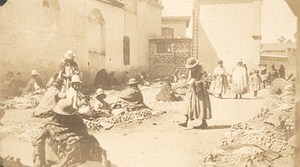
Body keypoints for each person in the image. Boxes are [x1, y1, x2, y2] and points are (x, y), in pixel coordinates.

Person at [33, 99, 107, 167]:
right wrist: (37, 157)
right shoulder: (51, 126)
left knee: (91, 141)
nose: (65, 118)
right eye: (62, 116)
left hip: (77, 148)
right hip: (62, 150)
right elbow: (38, 141)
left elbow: (84, 134)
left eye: (67, 116)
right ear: (57, 114)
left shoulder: (77, 120)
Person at [179, 57, 212, 129]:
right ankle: (185, 121)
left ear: (195, 66)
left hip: (200, 92)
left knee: (201, 106)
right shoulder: (191, 71)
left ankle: (204, 122)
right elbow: (189, 79)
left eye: (191, 67)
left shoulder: (202, 71)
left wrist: (198, 82)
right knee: (188, 105)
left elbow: (206, 81)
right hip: (191, 91)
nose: (189, 69)